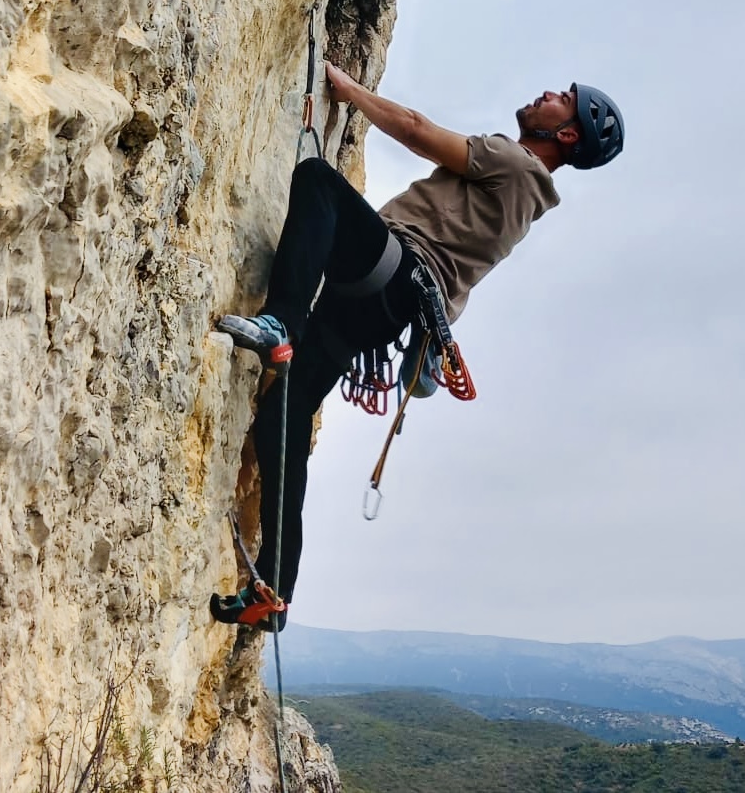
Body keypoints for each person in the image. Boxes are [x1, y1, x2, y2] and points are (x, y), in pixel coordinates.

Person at [209, 65, 625, 630]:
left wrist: (349, 91)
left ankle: (282, 322)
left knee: (318, 182)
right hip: (388, 311)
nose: (550, 93)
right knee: (282, 419)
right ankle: (275, 591)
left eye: (564, 100)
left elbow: (414, 128)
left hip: (394, 271)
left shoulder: (515, 162)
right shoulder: (531, 198)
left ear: (568, 134)